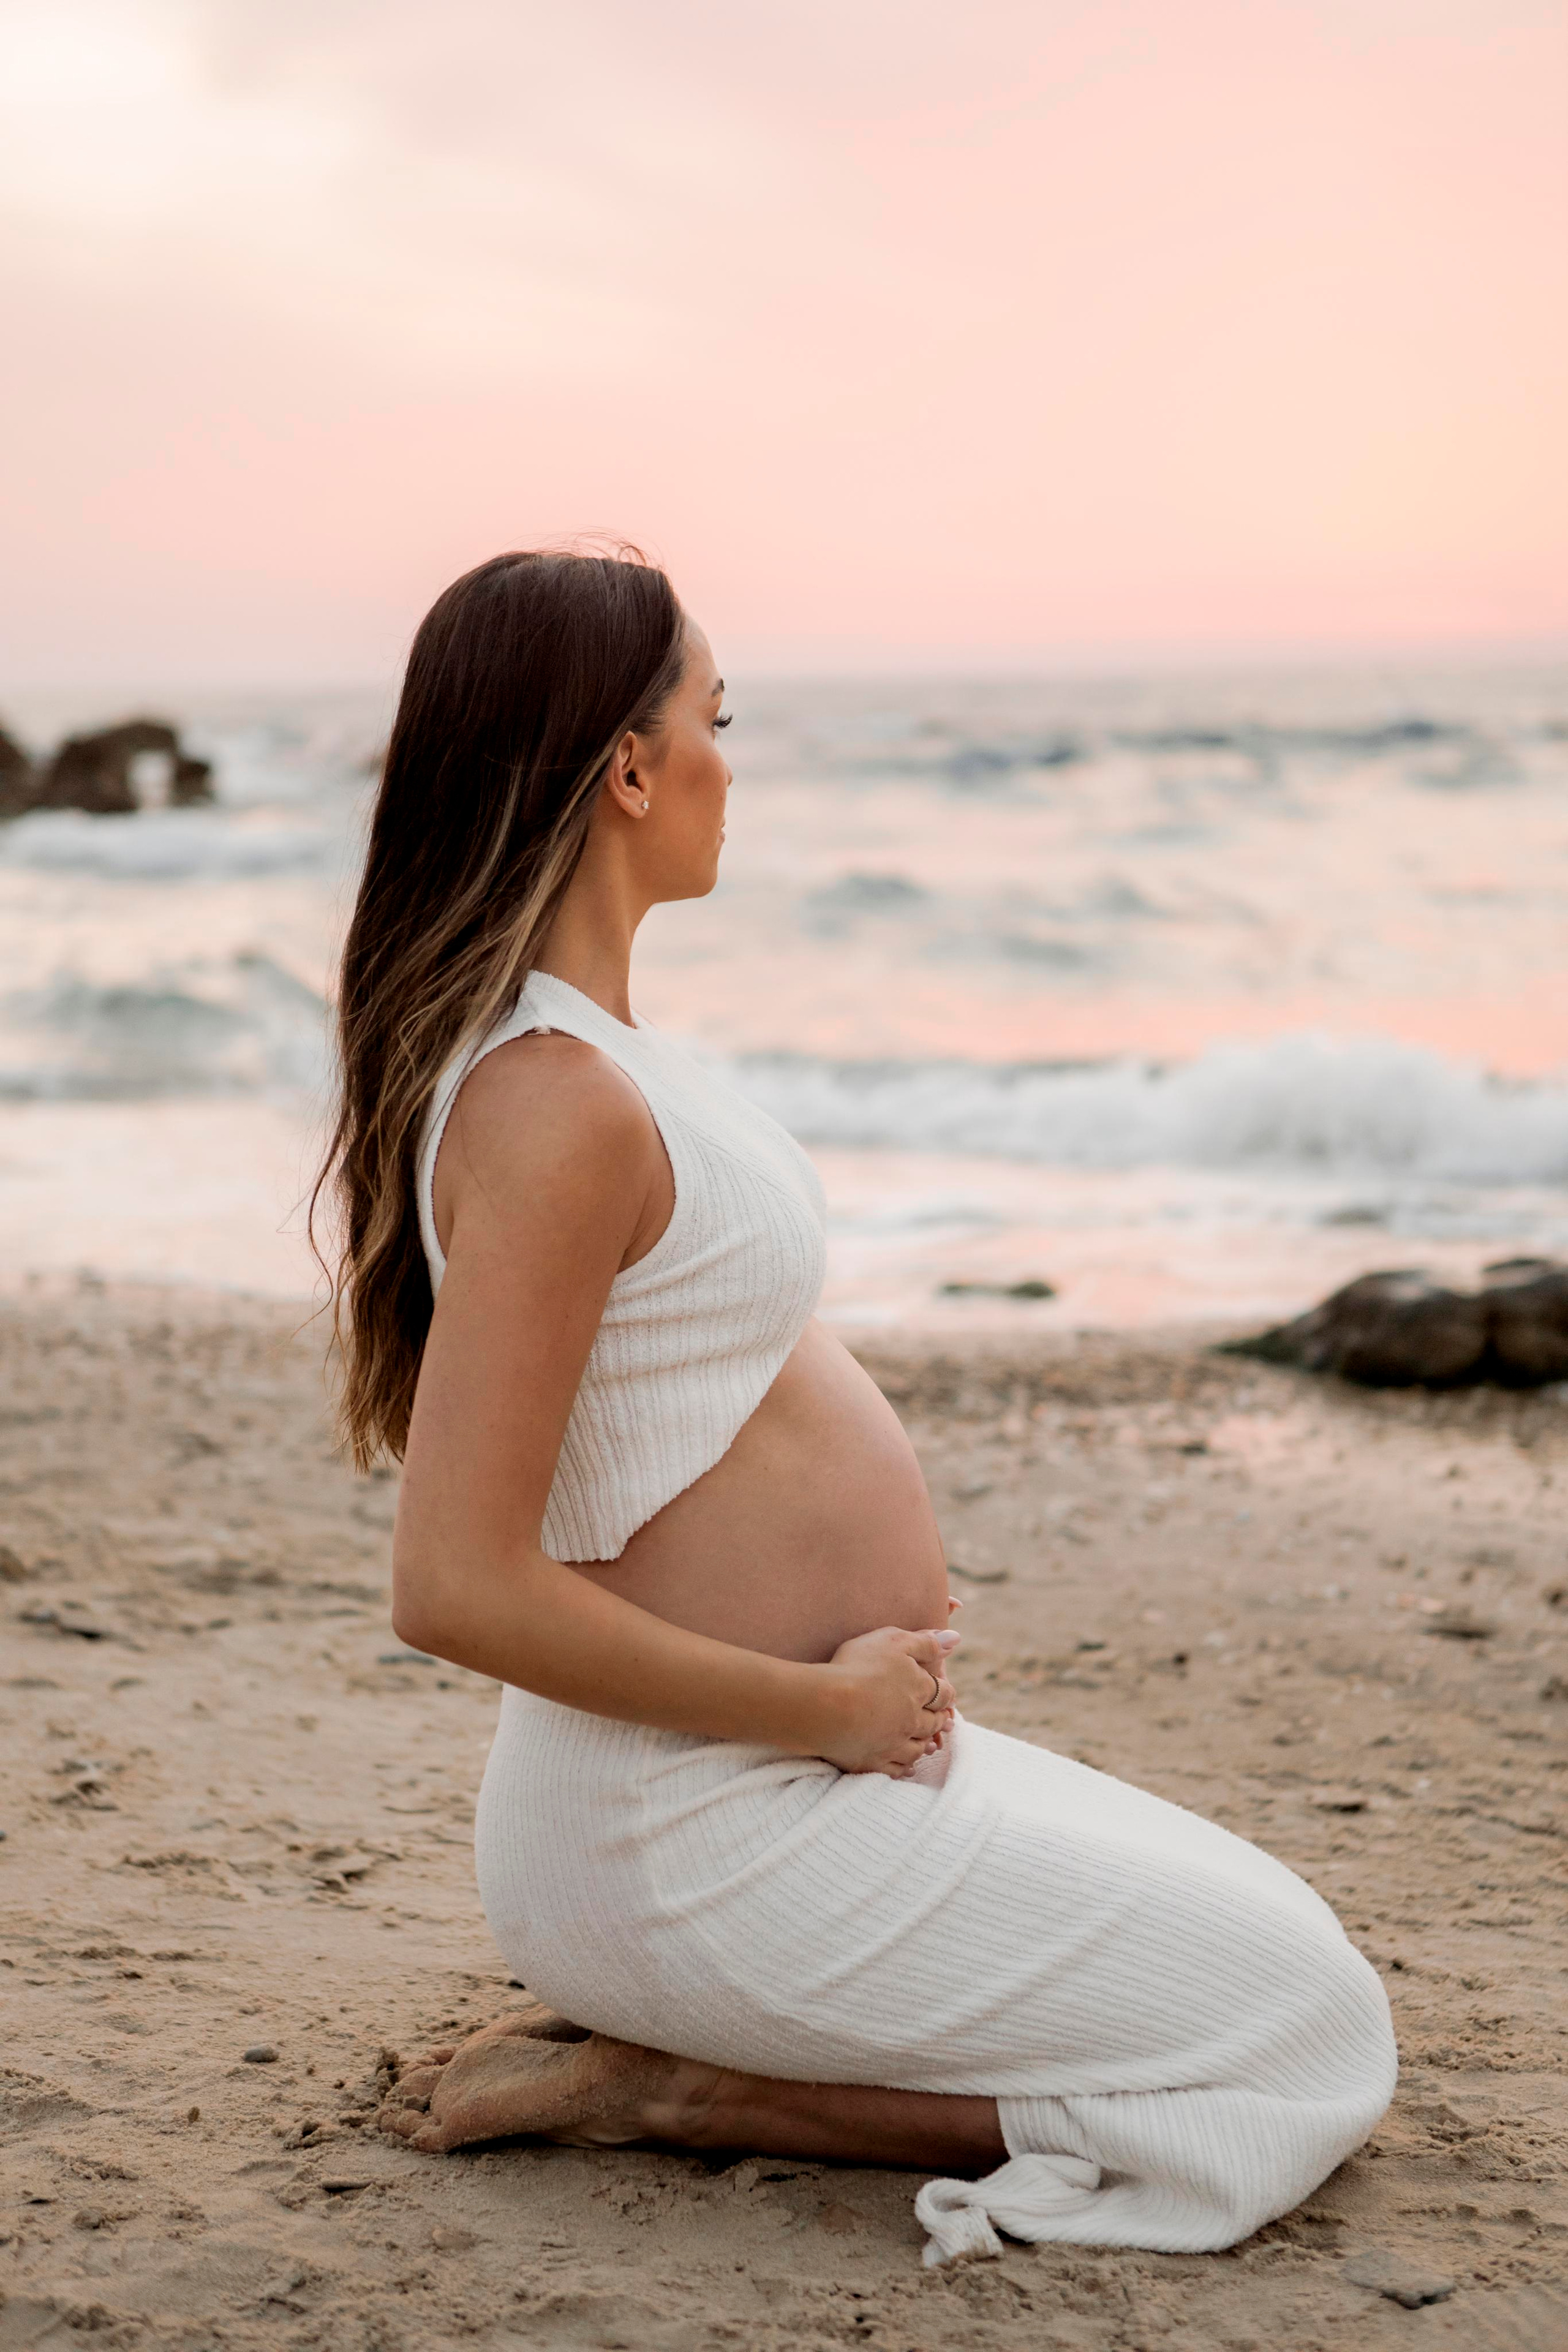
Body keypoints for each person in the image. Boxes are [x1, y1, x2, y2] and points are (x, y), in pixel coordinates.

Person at [315, 547, 1396, 2264]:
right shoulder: (550, 1103)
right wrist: (811, 1714)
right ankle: (678, 2090)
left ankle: (690, 2054)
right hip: (692, 1826)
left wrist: (834, 1721)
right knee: (1310, 2037)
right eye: (715, 719)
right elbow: (450, 1585)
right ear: (631, 767)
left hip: (785, 1778)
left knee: (1291, 1948)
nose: (735, 762)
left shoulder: (601, 1059)